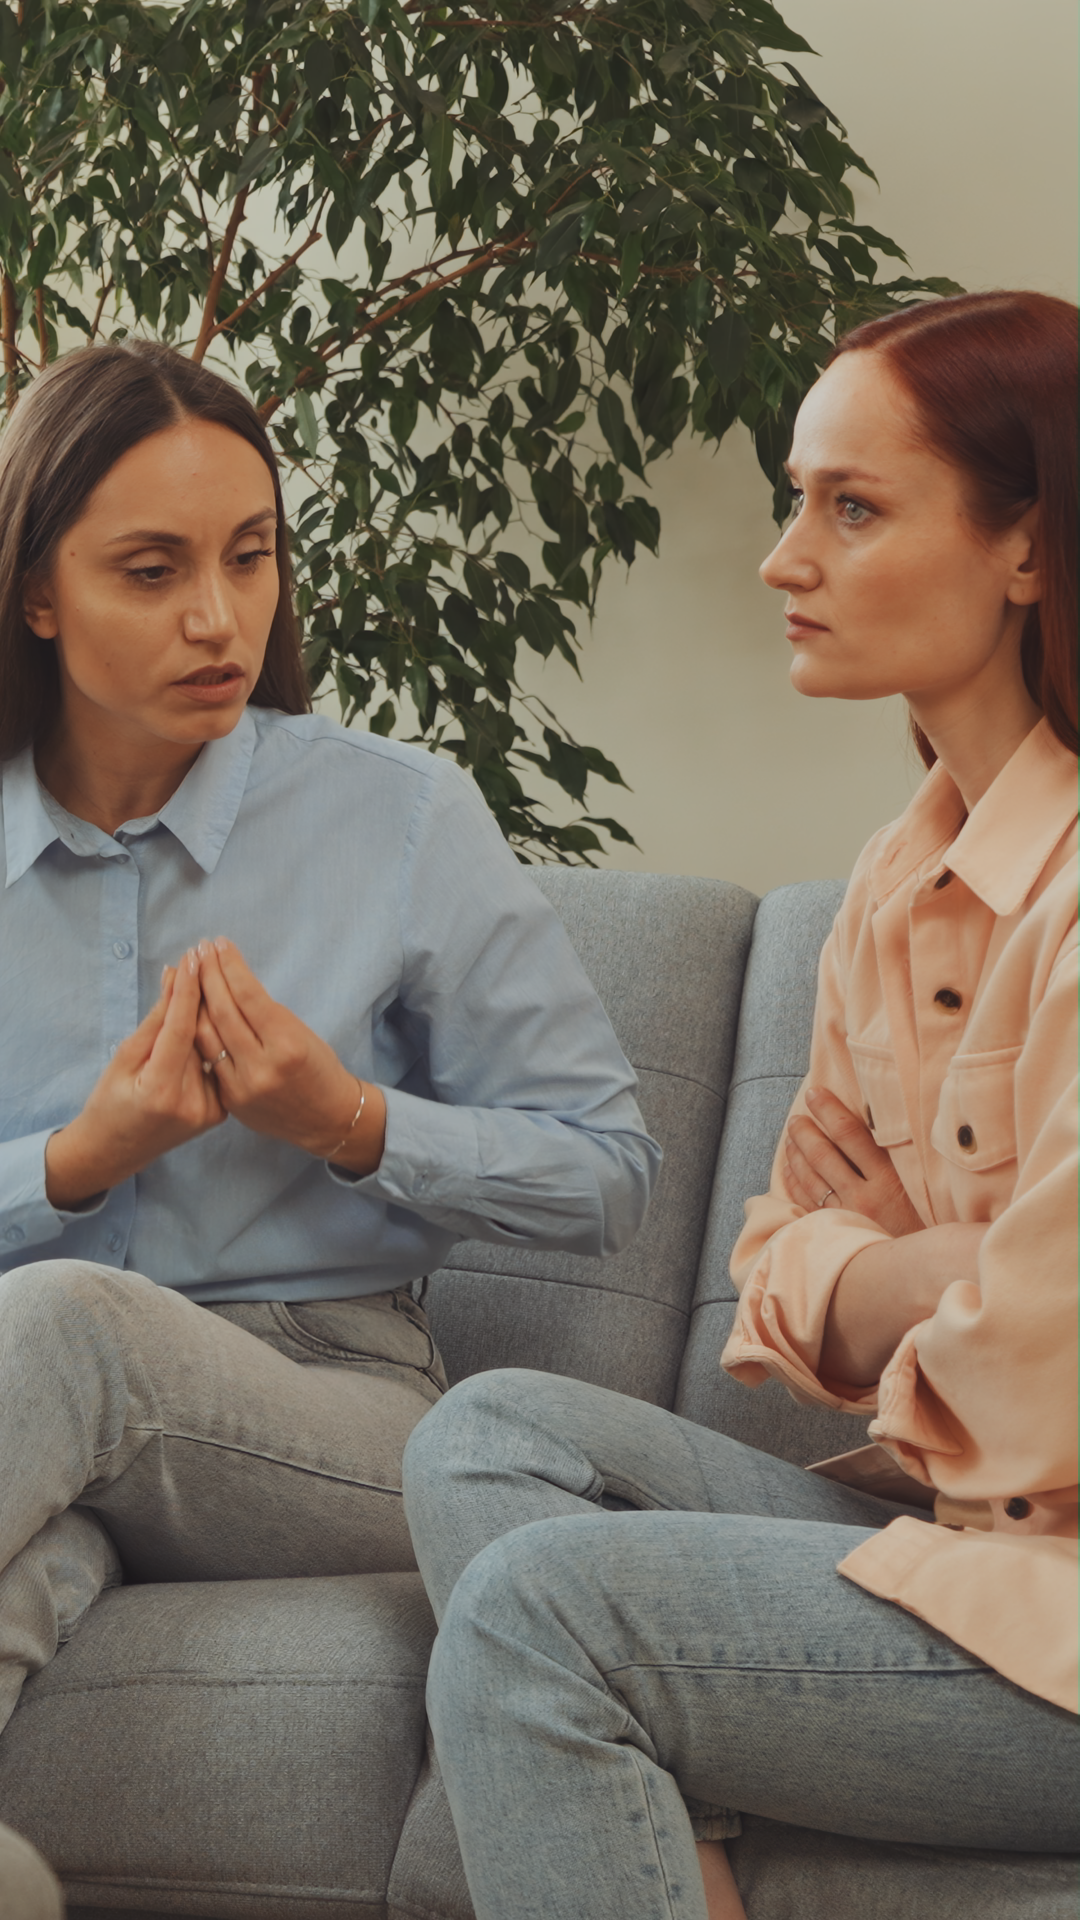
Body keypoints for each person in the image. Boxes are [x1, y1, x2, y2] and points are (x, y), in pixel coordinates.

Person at [401, 290, 1080, 1920]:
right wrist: (929, 1272)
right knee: (491, 1434)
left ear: (1028, 547)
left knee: (533, 1616)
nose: (784, 560)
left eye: (852, 509)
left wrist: (890, 1280)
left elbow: (1051, 1370)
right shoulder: (889, 888)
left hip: (1054, 1617)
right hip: (966, 1542)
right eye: (797, 500)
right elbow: (773, 1281)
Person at [0, 338, 660, 1733]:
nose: (219, 619)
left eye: (251, 557)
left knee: (68, 1325)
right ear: (36, 592)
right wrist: (72, 1162)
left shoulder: (399, 817)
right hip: (36, 1420)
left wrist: (347, 1122)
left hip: (329, 1402)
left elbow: (609, 1175)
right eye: (153, 571)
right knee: (24, 1564)